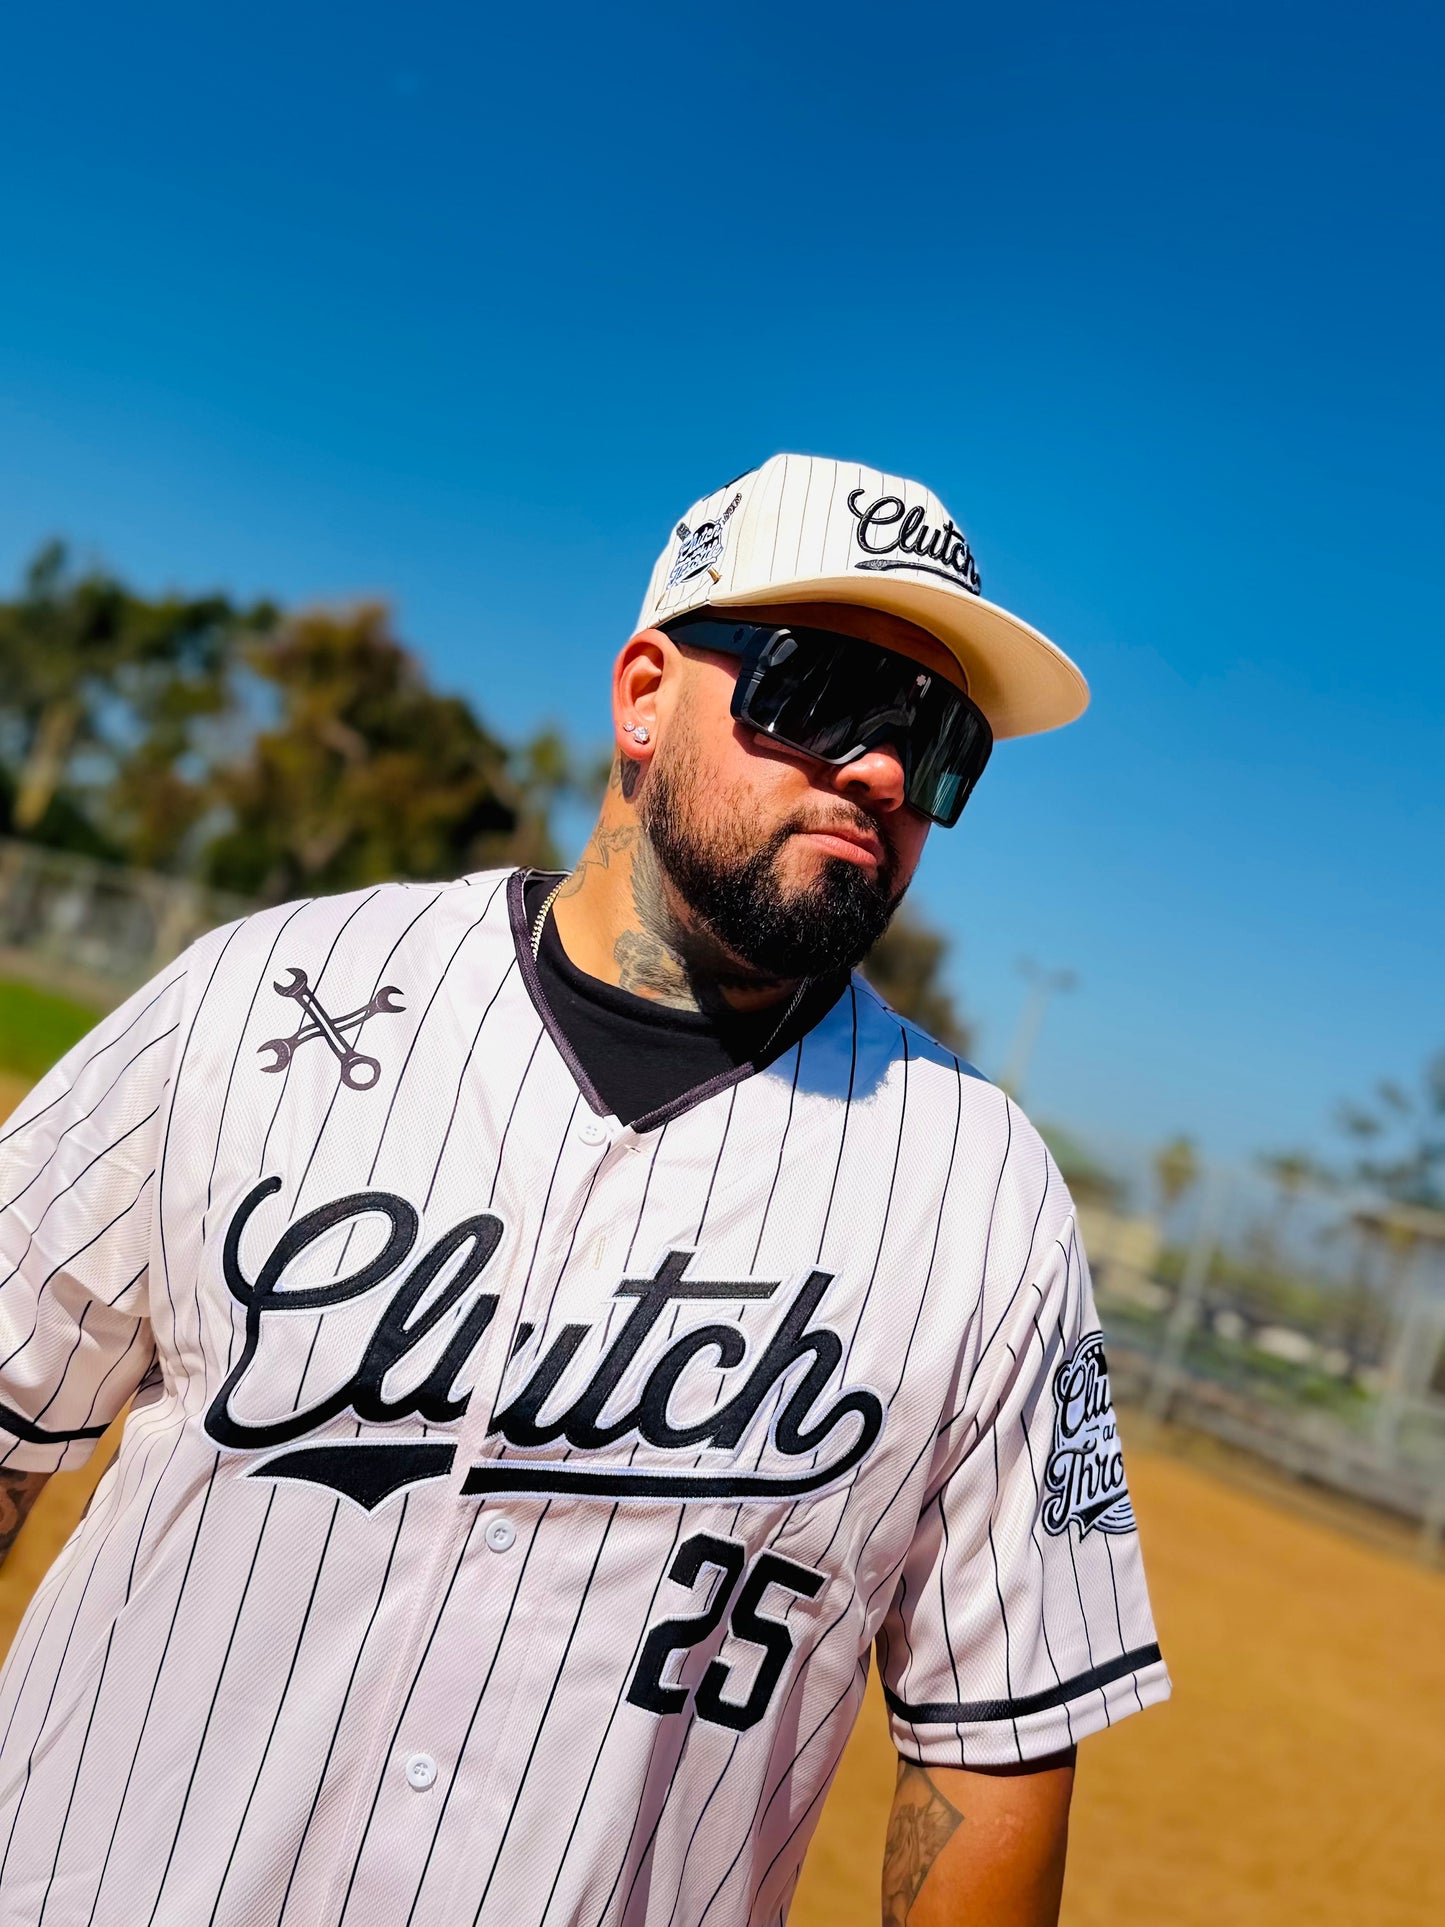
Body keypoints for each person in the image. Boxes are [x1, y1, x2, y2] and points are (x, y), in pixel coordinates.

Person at [0, 453, 1168, 1927]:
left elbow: (993, 1753)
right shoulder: (258, 997)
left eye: (937, 743)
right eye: (823, 695)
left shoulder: (980, 1199)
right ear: (641, 695)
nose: (879, 770)